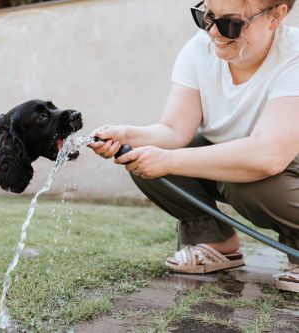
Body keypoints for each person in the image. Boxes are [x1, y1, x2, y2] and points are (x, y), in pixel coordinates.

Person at [89, 0, 299, 293]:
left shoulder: (294, 56)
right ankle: (215, 242)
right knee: (139, 157)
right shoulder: (199, 49)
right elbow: (174, 130)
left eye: (231, 24)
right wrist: (127, 135)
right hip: (241, 157)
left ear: (276, 15)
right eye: (207, 17)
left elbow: (268, 155)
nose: (213, 32)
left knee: (245, 180)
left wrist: (170, 161)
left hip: (287, 166)